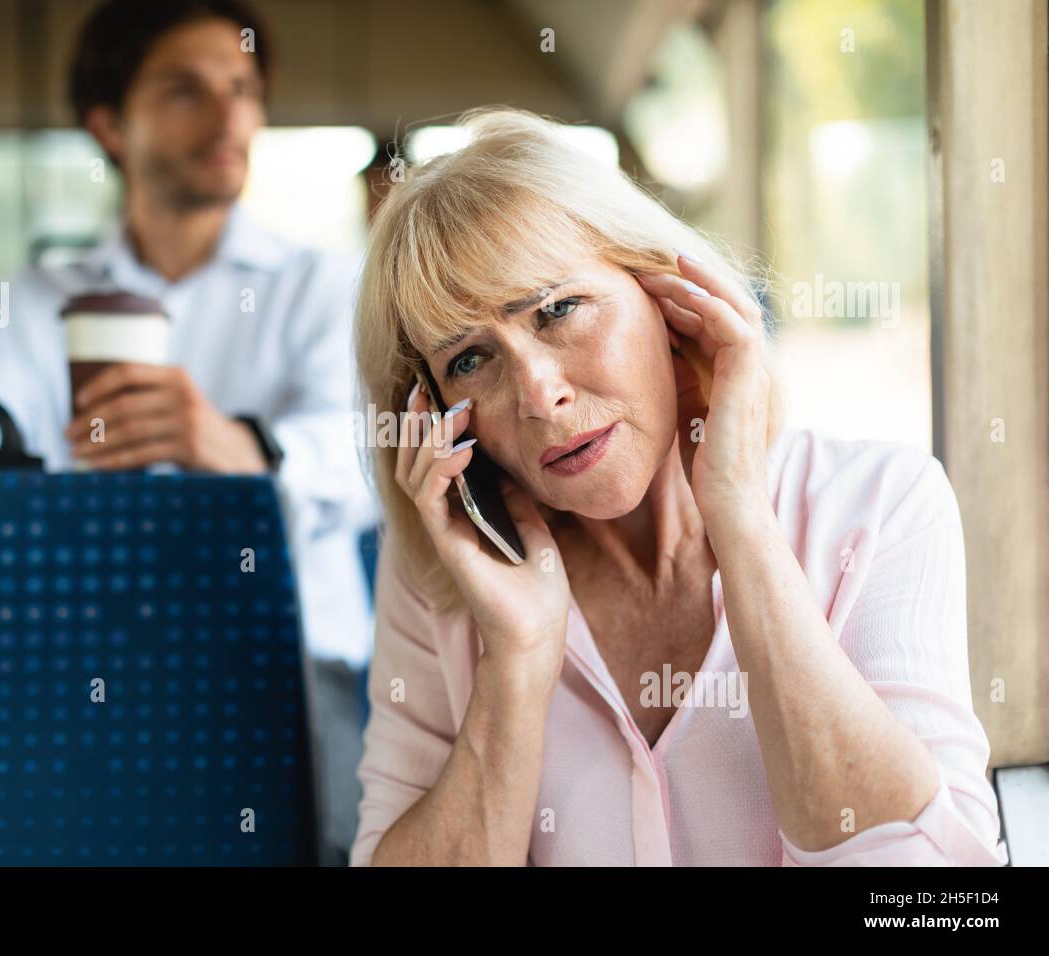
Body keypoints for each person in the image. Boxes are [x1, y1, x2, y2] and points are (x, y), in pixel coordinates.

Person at [349, 107, 1008, 866]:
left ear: (669, 300)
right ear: (437, 415)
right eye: (470, 360)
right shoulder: (446, 577)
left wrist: (741, 522)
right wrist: (518, 660)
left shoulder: (882, 505)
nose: (537, 393)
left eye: (559, 309)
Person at [0, 0, 374, 865]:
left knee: (339, 838)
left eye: (244, 89)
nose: (231, 114)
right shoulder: (33, 300)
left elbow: (367, 463)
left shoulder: (327, 286)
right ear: (109, 126)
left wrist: (232, 447)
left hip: (288, 661)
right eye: (186, 91)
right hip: (70, 660)